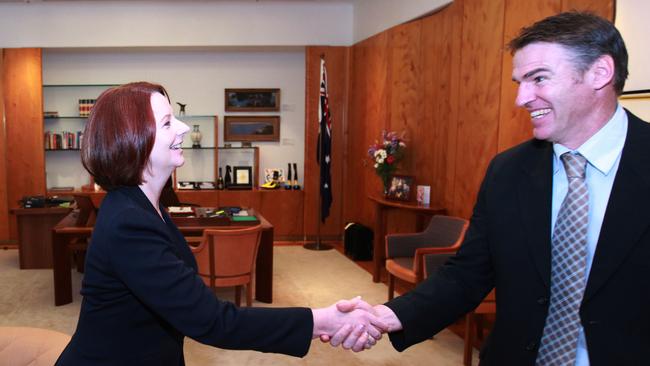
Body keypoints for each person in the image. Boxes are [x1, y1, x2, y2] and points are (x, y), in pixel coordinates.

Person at [328, 11, 650, 365]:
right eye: (519, 82)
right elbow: (470, 271)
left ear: (600, 73)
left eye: (538, 78)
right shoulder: (508, 171)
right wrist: (391, 315)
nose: (522, 98)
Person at [55, 82, 385, 365]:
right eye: (169, 122)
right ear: (134, 139)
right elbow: (213, 321)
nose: (184, 128)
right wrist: (322, 319)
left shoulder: (147, 206)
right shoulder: (128, 221)